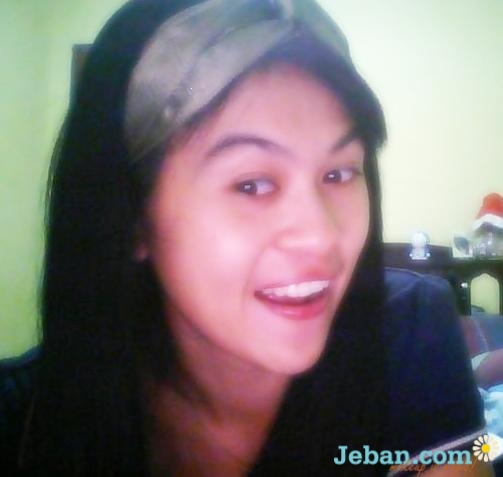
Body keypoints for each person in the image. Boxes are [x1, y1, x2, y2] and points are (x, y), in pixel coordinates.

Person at [0, 0, 493, 475]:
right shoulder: (25, 424)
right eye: (251, 184)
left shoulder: (407, 331)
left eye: (339, 174)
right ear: (133, 216)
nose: (321, 237)